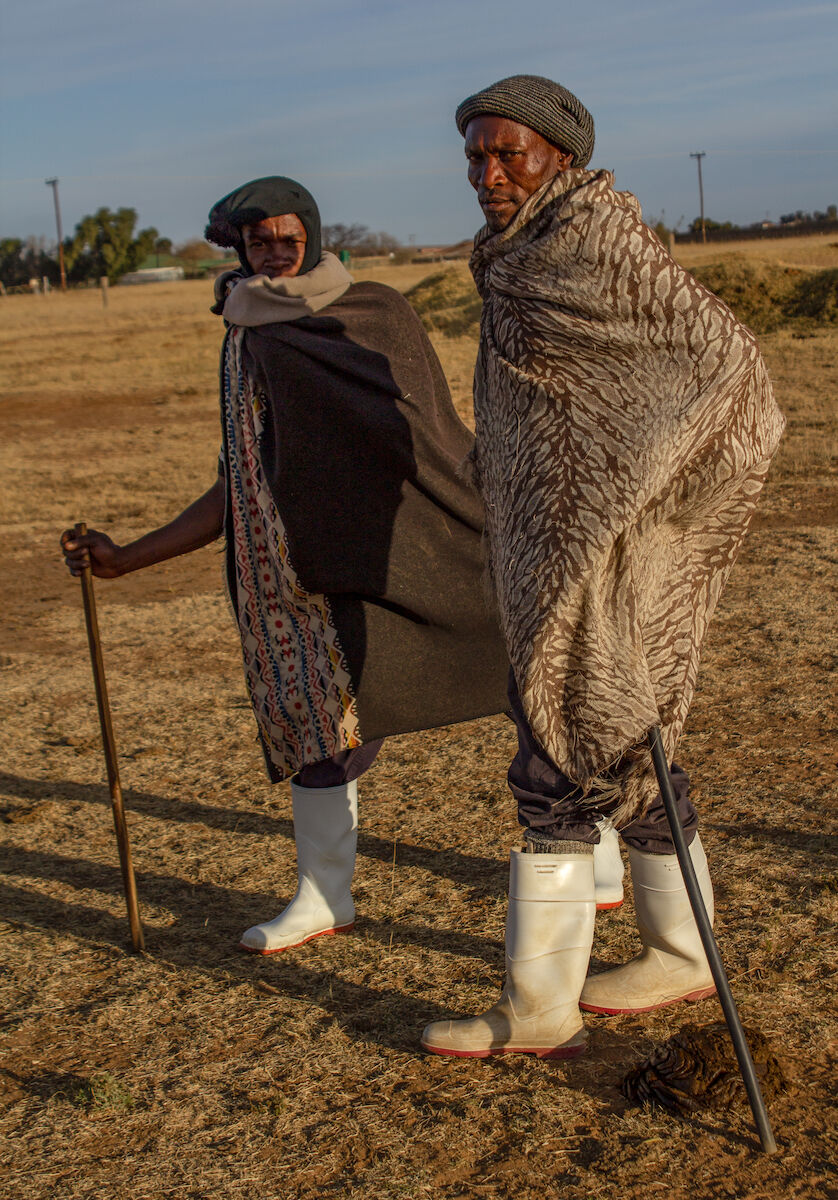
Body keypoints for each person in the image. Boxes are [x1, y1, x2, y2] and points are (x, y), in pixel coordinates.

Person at [421, 76, 784, 1059]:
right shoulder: (521, 252)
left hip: (599, 550)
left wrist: (642, 506)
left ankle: (537, 1008)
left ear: (561, 158)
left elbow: (727, 374)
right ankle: (681, 950)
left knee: (560, 737)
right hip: (549, 541)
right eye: (474, 156)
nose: (487, 174)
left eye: (509, 154)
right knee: (628, 743)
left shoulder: (593, 244)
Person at [61, 175, 511, 955]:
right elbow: (242, 477)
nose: (273, 253)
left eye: (286, 238)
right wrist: (128, 560)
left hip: (388, 552)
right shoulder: (245, 329)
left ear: (313, 234)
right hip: (286, 582)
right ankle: (322, 895)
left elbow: (423, 439)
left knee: (527, 678)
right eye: (257, 240)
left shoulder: (369, 314)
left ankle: (595, 846)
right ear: (238, 246)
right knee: (314, 727)